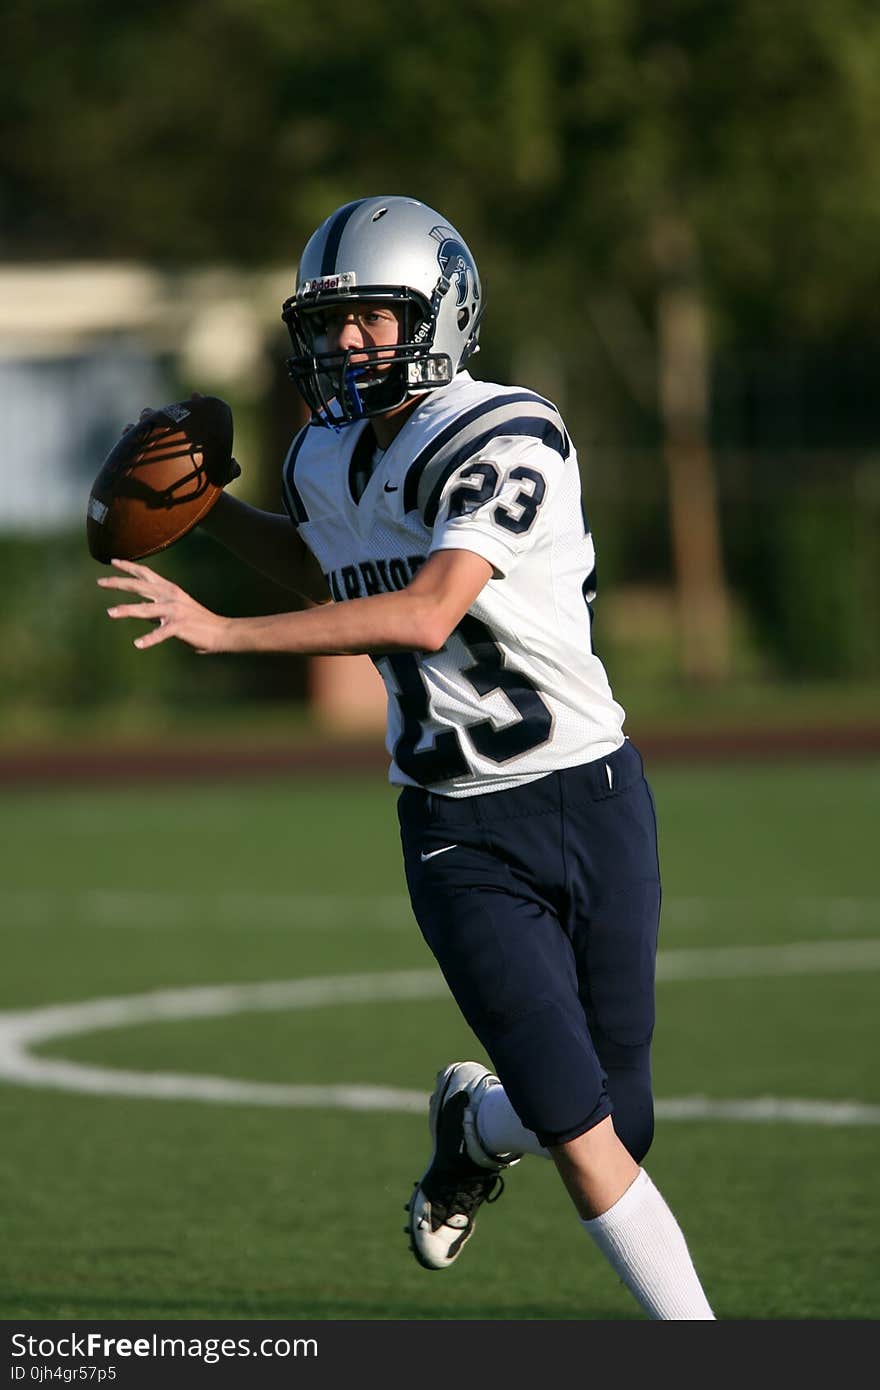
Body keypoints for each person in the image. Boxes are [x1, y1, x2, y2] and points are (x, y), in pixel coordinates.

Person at [100, 194, 715, 1320]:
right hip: (456, 826)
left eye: (375, 319)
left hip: (593, 792)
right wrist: (207, 512)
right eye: (331, 323)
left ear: (441, 312)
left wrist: (224, 630)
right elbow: (336, 574)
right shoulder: (323, 457)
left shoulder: (506, 431)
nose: (346, 343)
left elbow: (428, 610)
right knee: (583, 1138)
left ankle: (472, 1128)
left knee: (619, 1121)